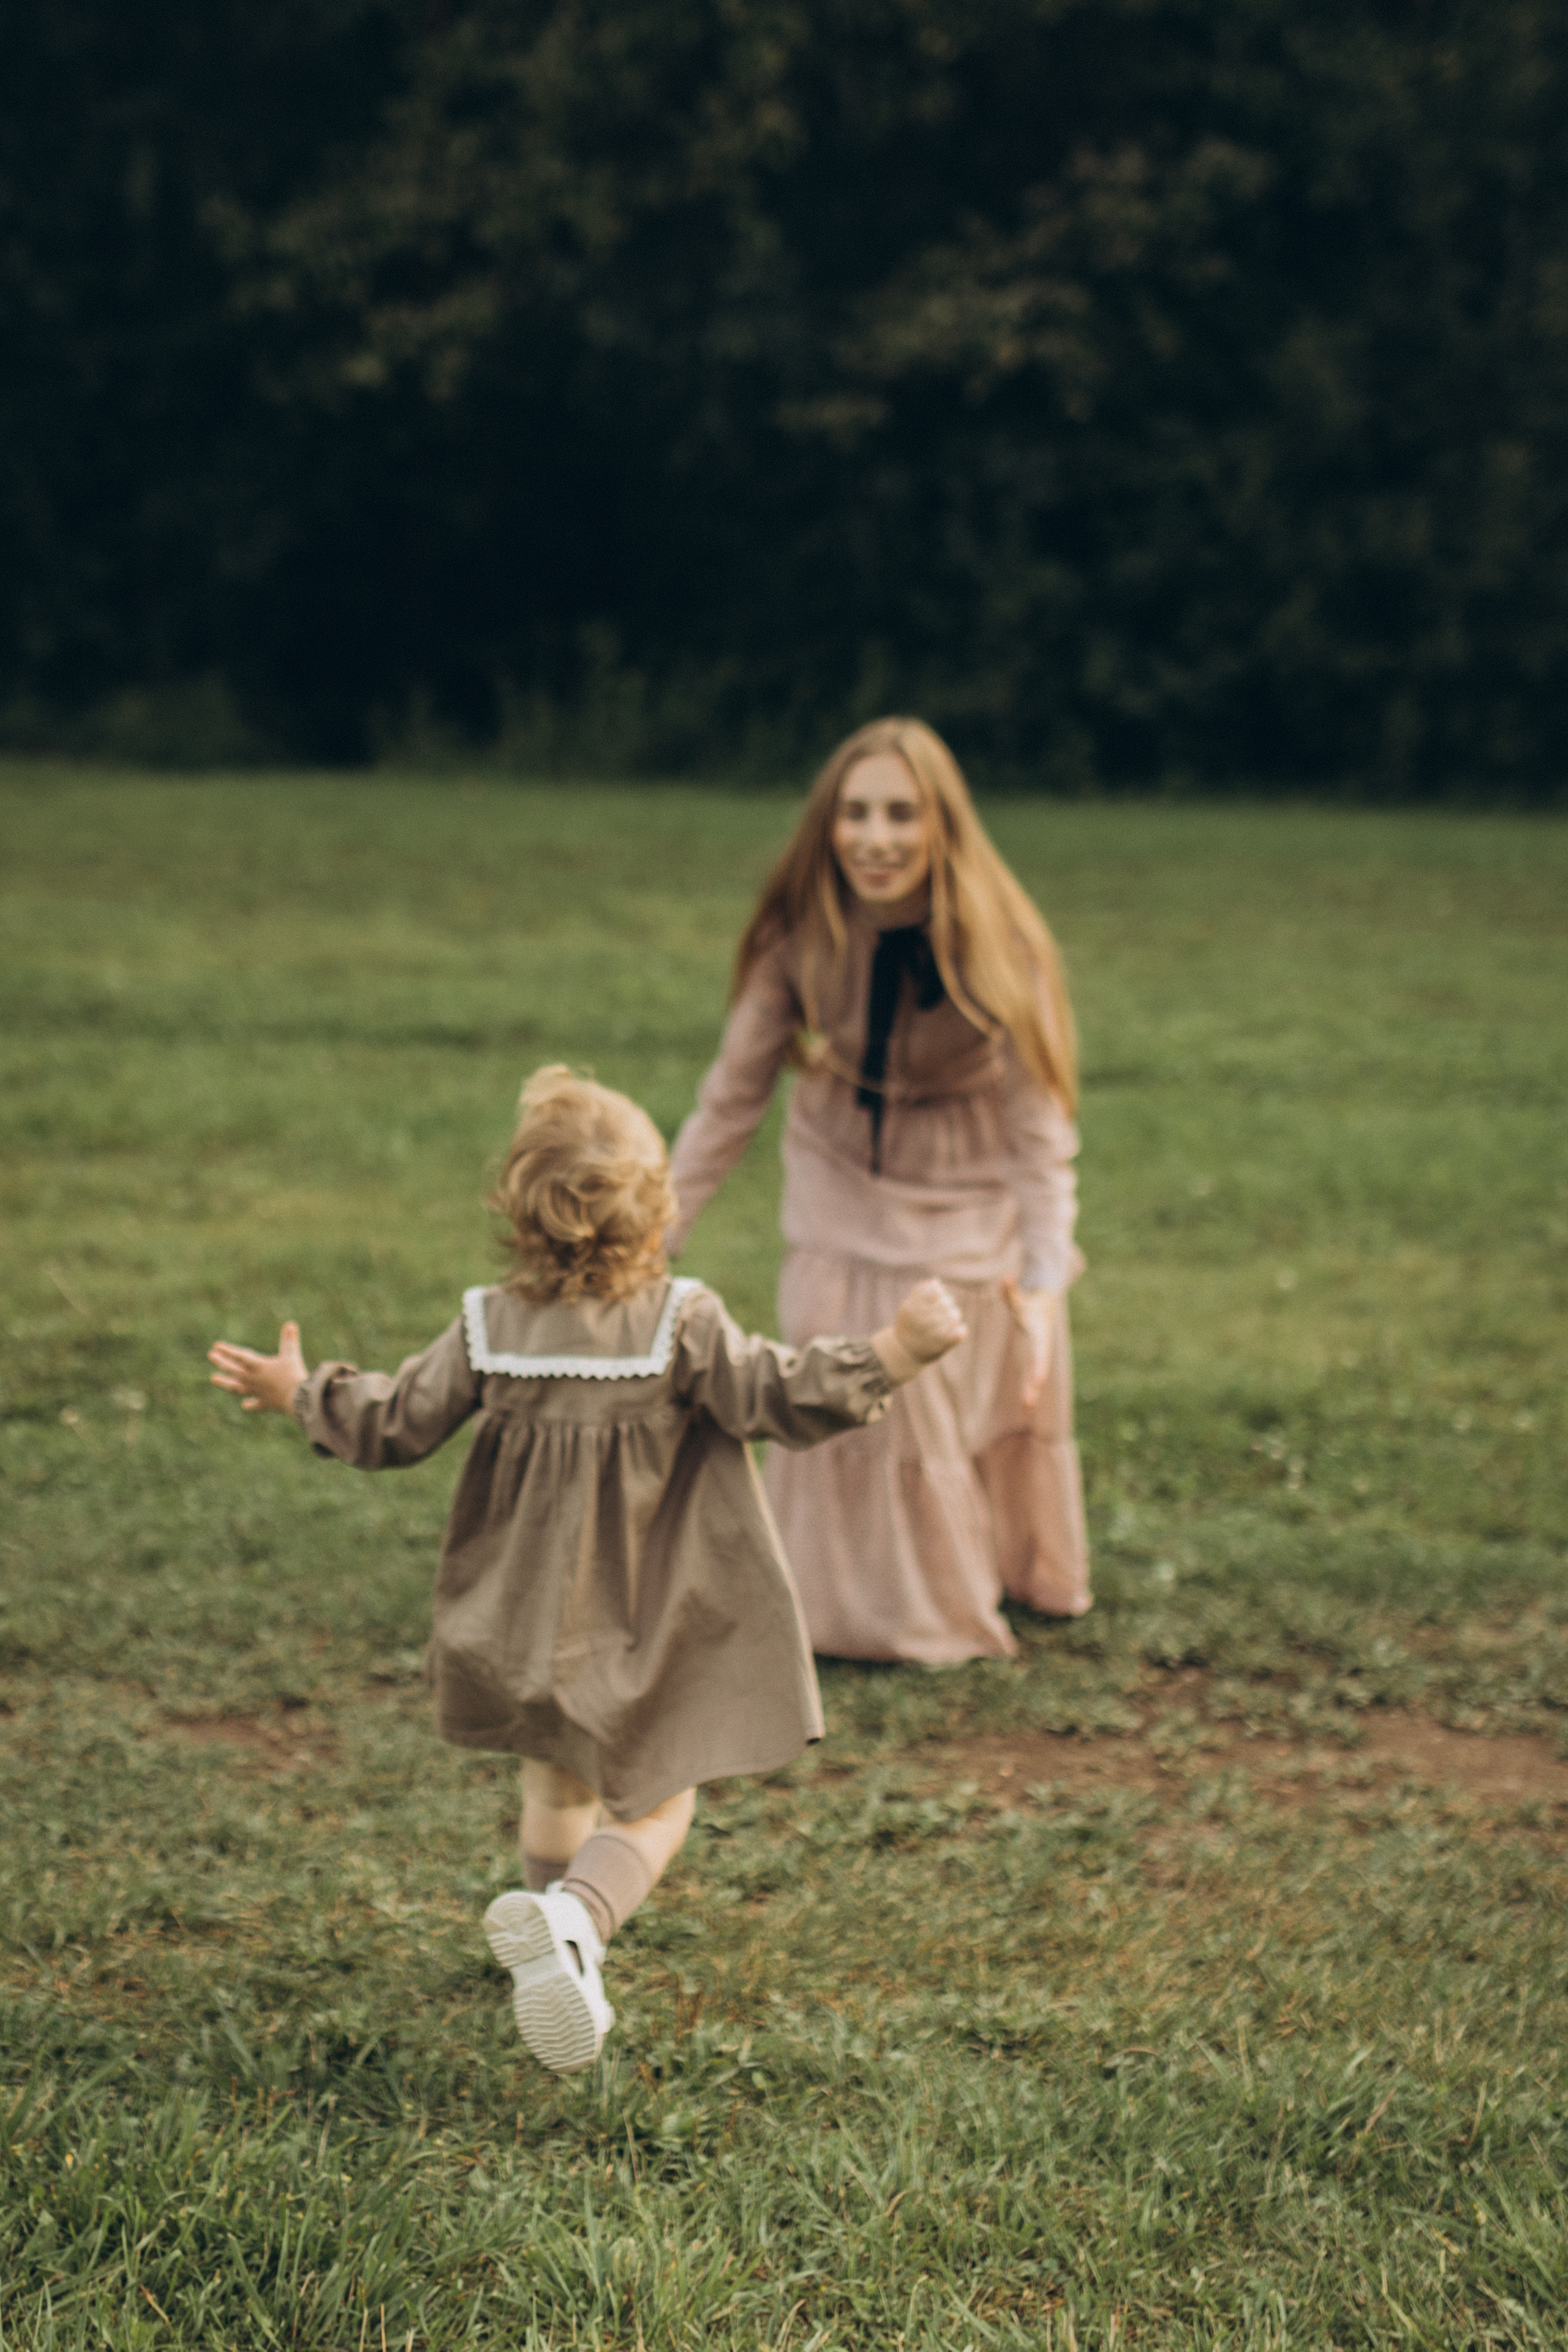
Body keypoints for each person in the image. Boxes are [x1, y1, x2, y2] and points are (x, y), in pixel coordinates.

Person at [208, 1064, 965, 2075]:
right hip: (647, 1619)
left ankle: (553, 1950)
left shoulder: (489, 1325)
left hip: (524, 1622)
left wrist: (303, 1391)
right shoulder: (681, 1324)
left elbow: (394, 1422)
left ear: (517, 1217)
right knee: (657, 1801)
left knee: (555, 1783)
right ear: (657, 1213)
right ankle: (576, 1925)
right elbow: (776, 1395)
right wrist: (895, 1353)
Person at [668, 716, 1090, 1667]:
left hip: (967, 1183)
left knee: (946, 1379)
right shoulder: (799, 934)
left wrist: (1043, 1281)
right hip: (840, 1171)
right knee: (838, 1365)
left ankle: (969, 1579)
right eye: (856, 813)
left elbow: (1040, 1137)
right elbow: (729, 1104)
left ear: (943, 826)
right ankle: (840, 1603)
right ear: (828, 826)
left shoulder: (1003, 944)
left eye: (902, 813)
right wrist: (652, 1234)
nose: (876, 837)